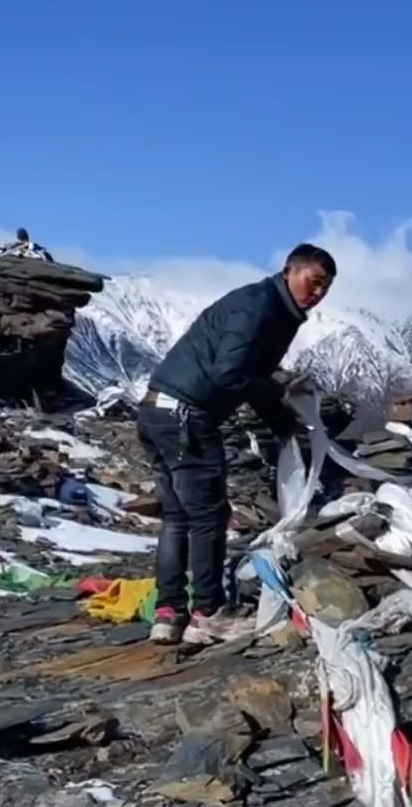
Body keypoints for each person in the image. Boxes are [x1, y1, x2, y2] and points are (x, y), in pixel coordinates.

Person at [136, 243, 336, 644]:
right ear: (289, 272)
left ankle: (169, 612)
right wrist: (279, 393)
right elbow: (229, 375)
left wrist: (283, 425)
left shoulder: (266, 306)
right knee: (209, 515)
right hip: (187, 417)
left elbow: (250, 375)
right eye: (313, 282)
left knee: (177, 517)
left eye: (325, 288)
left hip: (157, 410)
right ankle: (209, 614)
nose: (317, 293)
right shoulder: (258, 308)